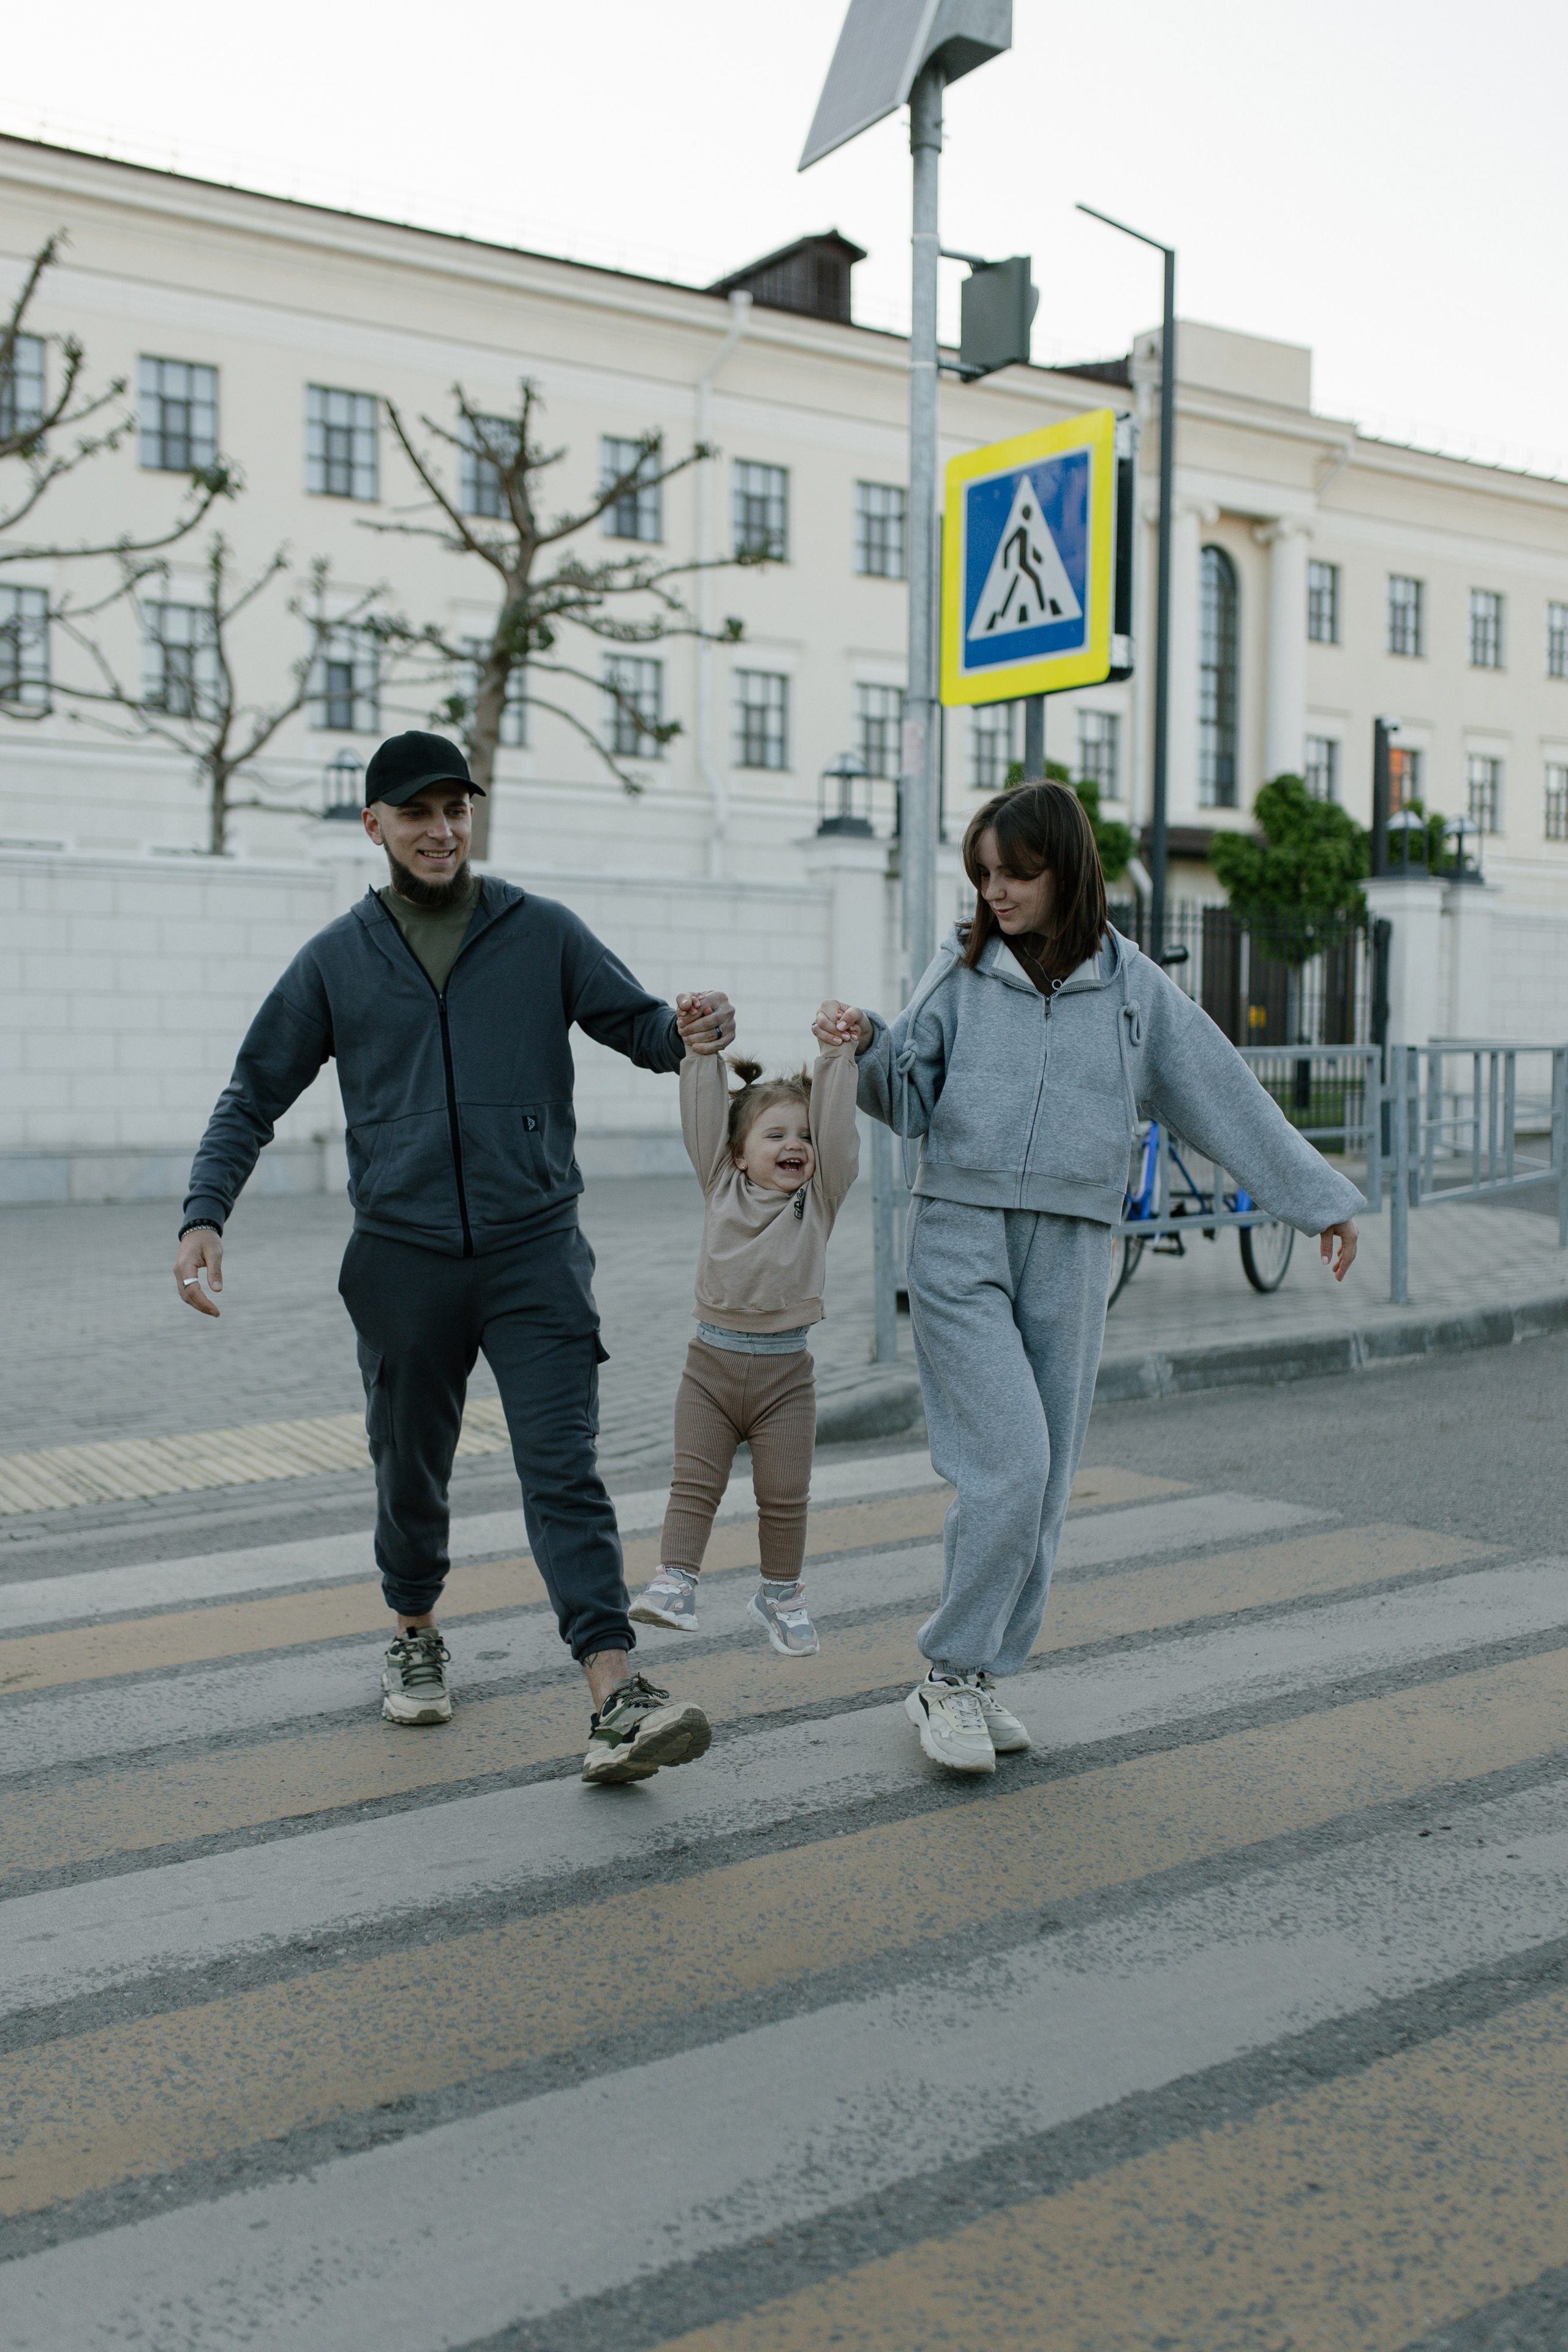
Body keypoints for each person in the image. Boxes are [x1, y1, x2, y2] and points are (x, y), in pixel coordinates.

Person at [173, 729, 735, 1787]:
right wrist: (206, 1213)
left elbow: (645, 1031)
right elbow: (253, 1094)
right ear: (375, 825)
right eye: (418, 813)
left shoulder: (542, 933)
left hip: (534, 1254)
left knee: (563, 1469)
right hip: (401, 1260)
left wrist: (697, 1025)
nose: (441, 831)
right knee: (410, 1469)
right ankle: (416, 1628)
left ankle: (616, 1694)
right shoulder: (338, 959)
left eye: (456, 811)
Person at [815, 780, 1363, 1778]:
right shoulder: (962, 966)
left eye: (1014, 873)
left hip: (1071, 1248)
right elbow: (910, 1100)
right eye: (984, 875)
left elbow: (1224, 1096)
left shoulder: (1134, 991)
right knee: (1011, 1465)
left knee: (1048, 1479)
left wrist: (1317, 1197)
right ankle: (947, 1672)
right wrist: (867, 1047)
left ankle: (979, 1675)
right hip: (961, 1243)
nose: (996, 892)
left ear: (1064, 869)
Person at [629, 1016, 859, 1656]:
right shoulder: (720, 1183)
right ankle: (675, 1582)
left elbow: (839, 1135)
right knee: (694, 1484)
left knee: (784, 1496)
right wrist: (701, 1054)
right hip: (710, 1368)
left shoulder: (820, 1197)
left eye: (805, 1136)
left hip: (787, 1379)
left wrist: (837, 1057)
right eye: (776, 1134)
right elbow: (702, 1116)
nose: (797, 1145)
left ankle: (780, 1595)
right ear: (738, 1153)